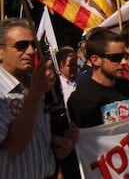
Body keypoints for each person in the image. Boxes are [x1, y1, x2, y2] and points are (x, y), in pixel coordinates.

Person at [0, 18, 77, 179]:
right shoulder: (6, 92)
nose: (31, 51)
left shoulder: (35, 83)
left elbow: (32, 134)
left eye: (34, 45)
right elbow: (15, 144)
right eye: (21, 45)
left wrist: (58, 142)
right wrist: (35, 94)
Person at [67, 27, 129, 128]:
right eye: (116, 58)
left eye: (124, 56)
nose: (123, 62)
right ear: (95, 60)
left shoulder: (125, 85)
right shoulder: (79, 99)